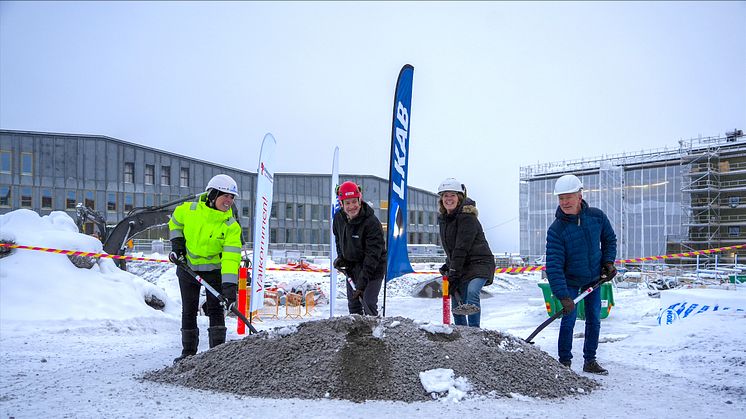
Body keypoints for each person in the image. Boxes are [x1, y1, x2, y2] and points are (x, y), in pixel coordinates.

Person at [546, 174, 617, 375]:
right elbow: (553, 265)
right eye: (561, 198)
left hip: (593, 278)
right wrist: (563, 295)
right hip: (569, 280)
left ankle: (590, 361)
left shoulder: (596, 217)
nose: (564, 202)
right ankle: (564, 363)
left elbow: (610, 240)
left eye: (568, 197)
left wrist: (608, 263)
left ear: (580, 195)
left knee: (594, 318)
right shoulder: (556, 230)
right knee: (569, 319)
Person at [168, 174, 242, 364]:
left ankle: (216, 357)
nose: (229, 201)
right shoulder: (189, 210)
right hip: (188, 268)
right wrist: (177, 246)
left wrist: (228, 288)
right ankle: (188, 354)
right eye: (225, 195)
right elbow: (175, 222)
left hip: (214, 272)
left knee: (216, 310)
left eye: (232, 197)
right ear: (212, 194)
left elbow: (230, 258)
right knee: (189, 310)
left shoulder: (231, 226)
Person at [437, 178, 495, 327]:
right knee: (456, 300)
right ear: (441, 199)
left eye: (453, 195)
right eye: (445, 195)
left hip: (480, 263)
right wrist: (448, 265)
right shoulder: (445, 220)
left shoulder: (467, 217)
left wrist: (453, 273)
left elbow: (461, 247)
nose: (449, 199)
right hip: (462, 265)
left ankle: (474, 332)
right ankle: (460, 334)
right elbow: (452, 249)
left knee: (472, 292)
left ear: (459, 197)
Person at [332, 180, 386, 316]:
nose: (352, 206)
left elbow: (373, 256)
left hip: (372, 268)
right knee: (354, 304)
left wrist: (362, 285)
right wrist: (341, 257)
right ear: (341, 204)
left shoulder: (371, 223)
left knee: (368, 302)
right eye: (347, 203)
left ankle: (374, 333)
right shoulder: (338, 218)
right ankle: (356, 336)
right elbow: (339, 239)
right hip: (352, 267)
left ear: (359, 200)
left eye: (354, 202)